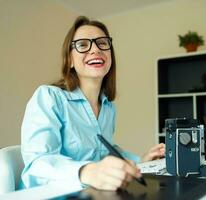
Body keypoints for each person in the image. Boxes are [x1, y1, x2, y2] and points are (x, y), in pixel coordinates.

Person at [20, 16, 165, 191]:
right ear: (70, 60)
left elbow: (103, 150)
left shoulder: (109, 108)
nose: (95, 49)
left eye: (102, 43)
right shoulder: (49, 97)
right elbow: (37, 163)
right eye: (82, 45)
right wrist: (87, 172)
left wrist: (140, 161)